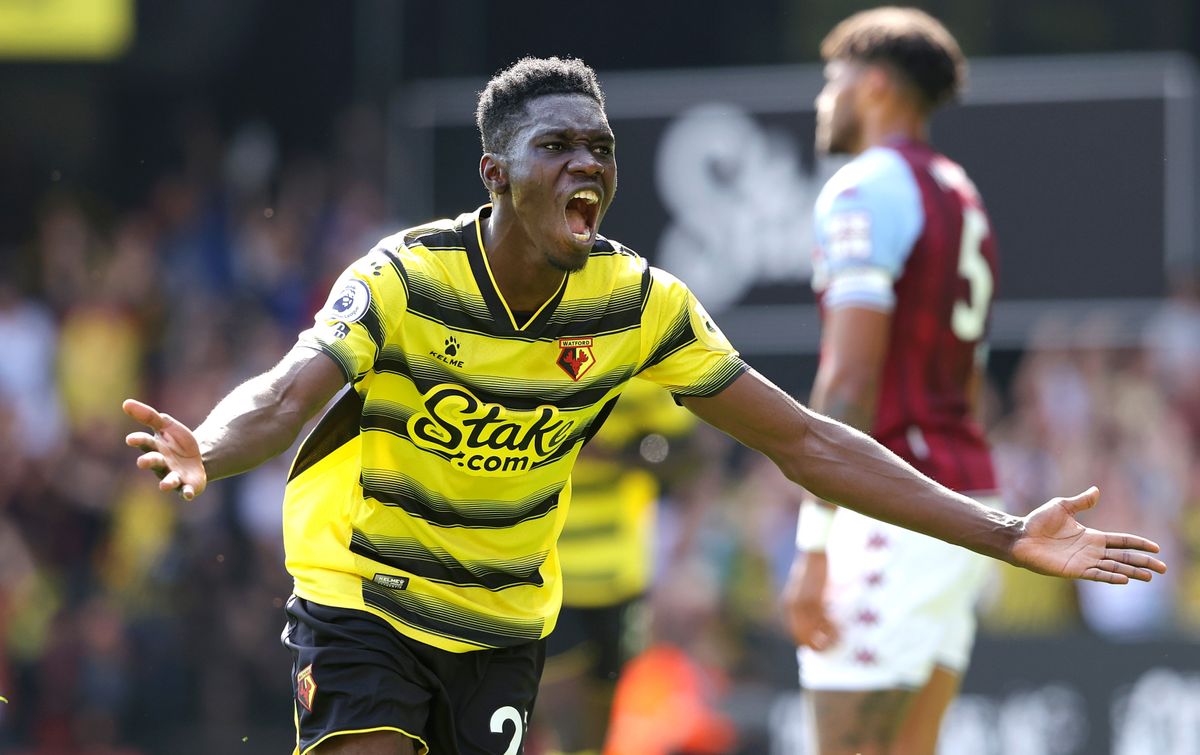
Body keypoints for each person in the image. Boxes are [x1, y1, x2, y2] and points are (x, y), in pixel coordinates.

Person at [122, 56, 1165, 755]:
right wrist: (209, 446)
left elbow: (802, 439)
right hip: (363, 594)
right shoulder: (404, 277)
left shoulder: (638, 302)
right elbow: (289, 391)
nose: (588, 163)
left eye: (601, 148)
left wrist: (1002, 532)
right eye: (558, 148)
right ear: (495, 175)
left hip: (503, 619)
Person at [779, 9, 1007, 754]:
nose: (824, 98)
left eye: (832, 79)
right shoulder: (960, 190)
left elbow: (848, 379)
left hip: (892, 508)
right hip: (965, 496)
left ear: (875, 85)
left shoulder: (864, 187)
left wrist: (814, 543)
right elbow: (968, 380)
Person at [534, 380, 711, 755]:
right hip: (542, 567)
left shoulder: (635, 370)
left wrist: (621, 453)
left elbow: (685, 452)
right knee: (556, 705)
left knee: (606, 700)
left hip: (619, 571)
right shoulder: (519, 363)